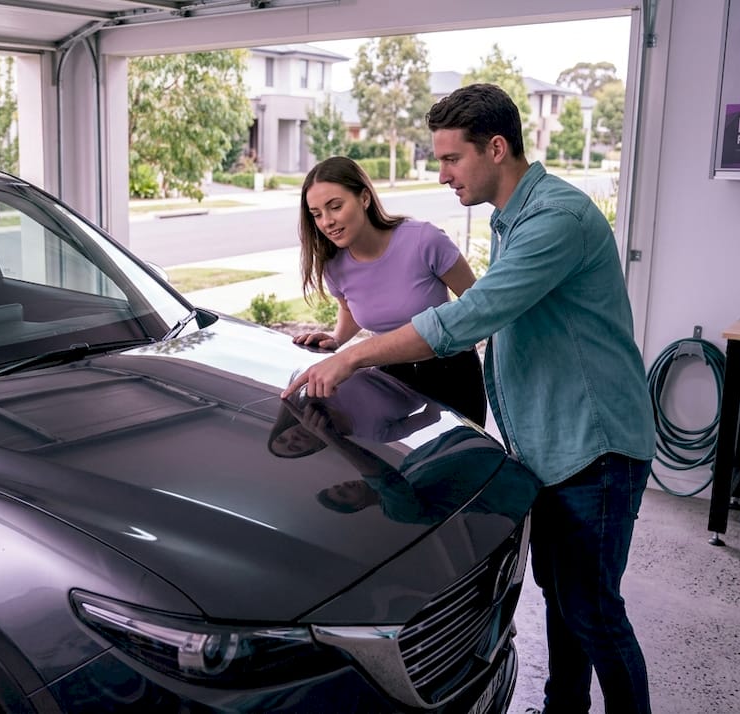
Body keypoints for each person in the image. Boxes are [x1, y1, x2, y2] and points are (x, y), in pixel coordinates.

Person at [282, 83, 657, 714]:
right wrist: (341, 340)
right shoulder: (514, 218)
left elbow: (470, 316)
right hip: (552, 446)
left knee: (592, 610)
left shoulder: (554, 220)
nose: (442, 172)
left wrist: (351, 356)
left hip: (596, 445)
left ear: (497, 147)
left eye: (452, 158)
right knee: (563, 600)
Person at [291, 156, 487, 426]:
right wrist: (337, 338)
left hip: (451, 373)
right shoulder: (333, 265)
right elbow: (350, 309)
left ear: (364, 198)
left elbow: (478, 305)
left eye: (335, 207)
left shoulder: (424, 240)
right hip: (390, 377)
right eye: (316, 214)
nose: (327, 222)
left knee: (465, 460)